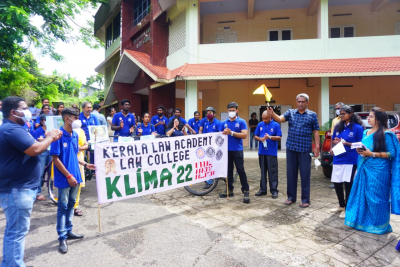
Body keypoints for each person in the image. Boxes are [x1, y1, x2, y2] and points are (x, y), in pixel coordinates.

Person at [0, 96, 62, 266]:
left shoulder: (14, 128)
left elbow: (30, 146)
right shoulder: (12, 129)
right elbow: (34, 150)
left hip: (17, 188)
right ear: (14, 112)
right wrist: (50, 136)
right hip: (17, 189)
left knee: (15, 230)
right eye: (25, 108)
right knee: (16, 231)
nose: (28, 112)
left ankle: (10, 263)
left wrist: (44, 140)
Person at [345, 107, 400, 234]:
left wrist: (372, 154)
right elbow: (365, 149)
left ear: (379, 120)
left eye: (371, 116)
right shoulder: (366, 132)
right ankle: (363, 222)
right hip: (365, 167)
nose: (367, 118)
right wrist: (361, 151)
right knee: (364, 196)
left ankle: (380, 225)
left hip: (379, 171)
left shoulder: (387, 134)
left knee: (377, 198)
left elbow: (391, 153)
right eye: (368, 116)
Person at [50, 108, 96, 253]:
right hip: (65, 178)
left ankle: (69, 230)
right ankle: (62, 236)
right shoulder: (57, 135)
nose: (78, 120)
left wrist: (85, 164)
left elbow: (74, 156)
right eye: (75, 117)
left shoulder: (75, 135)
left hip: (76, 176)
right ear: (67, 119)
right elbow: (55, 159)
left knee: (71, 205)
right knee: (62, 207)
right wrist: (68, 176)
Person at [268, 93, 320, 208]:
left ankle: (305, 199)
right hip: (291, 148)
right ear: (296, 102)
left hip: (305, 149)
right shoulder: (290, 113)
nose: (300, 104)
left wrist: (317, 147)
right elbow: (280, 119)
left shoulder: (312, 115)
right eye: (299, 101)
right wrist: (272, 113)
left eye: (303, 102)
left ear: (307, 103)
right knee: (291, 174)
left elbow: (316, 131)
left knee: (305, 174)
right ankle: (291, 197)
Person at [329, 106, 364, 219]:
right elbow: (333, 139)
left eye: (344, 113)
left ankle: (348, 208)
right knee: (337, 183)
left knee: (348, 184)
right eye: (340, 114)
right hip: (338, 158)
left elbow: (361, 144)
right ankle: (341, 205)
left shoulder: (358, 128)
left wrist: (347, 144)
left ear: (351, 114)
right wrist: (336, 142)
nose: (341, 115)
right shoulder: (338, 127)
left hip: (350, 159)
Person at [220, 102, 250, 204]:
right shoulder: (224, 122)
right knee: (228, 171)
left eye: (233, 110)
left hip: (237, 150)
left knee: (240, 170)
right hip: (227, 150)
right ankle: (229, 190)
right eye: (230, 110)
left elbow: (244, 135)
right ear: (227, 110)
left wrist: (231, 133)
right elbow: (219, 135)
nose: (231, 112)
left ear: (237, 111)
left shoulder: (241, 122)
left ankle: (246, 191)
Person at [254, 111, 282, 198]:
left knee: (272, 171)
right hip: (262, 152)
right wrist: (260, 139)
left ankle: (274, 190)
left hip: (271, 152)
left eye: (265, 118)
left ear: (270, 117)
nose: (264, 120)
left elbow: (279, 137)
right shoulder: (260, 124)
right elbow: (255, 136)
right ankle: (263, 189)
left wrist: (269, 137)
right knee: (263, 171)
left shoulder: (276, 125)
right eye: (262, 118)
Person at [201, 107, 222, 189]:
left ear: (214, 114)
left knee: (216, 163)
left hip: (216, 148)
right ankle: (209, 181)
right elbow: (204, 135)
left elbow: (220, 135)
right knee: (208, 164)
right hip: (208, 147)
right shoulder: (206, 124)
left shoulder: (218, 123)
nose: (208, 114)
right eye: (207, 113)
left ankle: (220, 175)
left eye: (210, 113)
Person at [72, 116, 88, 217]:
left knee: (78, 183)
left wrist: (81, 147)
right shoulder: (65, 133)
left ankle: (75, 206)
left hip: (80, 158)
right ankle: (69, 206)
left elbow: (86, 145)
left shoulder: (82, 132)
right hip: (69, 161)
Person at [33, 114, 52, 201]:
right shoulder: (37, 131)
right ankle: (38, 193)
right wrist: (39, 141)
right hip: (42, 153)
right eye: (45, 120)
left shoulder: (51, 131)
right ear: (42, 121)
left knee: (51, 172)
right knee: (40, 172)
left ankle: (50, 191)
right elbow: (33, 143)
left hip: (50, 152)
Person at [79, 102, 99, 170]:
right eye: (88, 107)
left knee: (94, 155)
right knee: (82, 155)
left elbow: (99, 128)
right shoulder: (79, 117)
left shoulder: (94, 117)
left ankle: (93, 170)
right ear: (83, 108)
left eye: (90, 107)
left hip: (93, 140)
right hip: (82, 141)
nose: (90, 109)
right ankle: (83, 169)